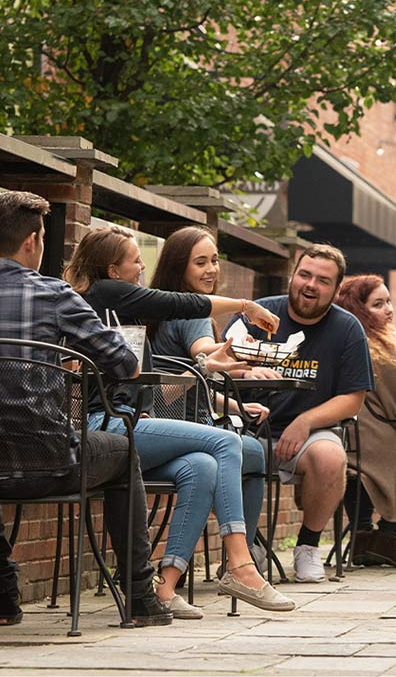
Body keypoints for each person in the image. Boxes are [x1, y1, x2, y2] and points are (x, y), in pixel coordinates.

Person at [0, 192, 172, 628]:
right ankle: (142, 597)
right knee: (124, 452)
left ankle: (2, 596)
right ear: (31, 241)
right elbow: (126, 365)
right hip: (48, 466)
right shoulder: (55, 295)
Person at [64, 226, 294, 616]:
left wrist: (204, 366)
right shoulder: (104, 292)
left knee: (201, 466)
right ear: (113, 270)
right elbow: (180, 304)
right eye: (136, 260)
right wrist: (244, 305)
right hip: (107, 425)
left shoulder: (119, 310)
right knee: (227, 442)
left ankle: (166, 586)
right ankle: (240, 564)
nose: (142, 267)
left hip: (131, 423)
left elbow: (146, 380)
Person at [223, 243, 374, 583]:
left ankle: (307, 546)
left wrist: (305, 422)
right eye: (304, 275)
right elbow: (217, 368)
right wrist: (245, 372)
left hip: (310, 432)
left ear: (336, 290)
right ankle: (249, 547)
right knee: (218, 454)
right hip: (245, 426)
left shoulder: (347, 328)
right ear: (293, 276)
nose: (310, 285)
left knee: (331, 458)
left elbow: (353, 398)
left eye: (322, 280)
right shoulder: (257, 315)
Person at [147, 225, 273, 564]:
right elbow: (201, 356)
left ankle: (238, 552)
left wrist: (237, 405)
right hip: (185, 428)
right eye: (200, 262)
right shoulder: (195, 311)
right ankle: (244, 553)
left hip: (155, 425)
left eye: (215, 261)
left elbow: (188, 385)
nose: (211, 270)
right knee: (255, 453)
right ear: (179, 267)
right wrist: (236, 358)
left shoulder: (158, 308)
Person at [336, 275, 396, 567]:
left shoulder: (346, 341)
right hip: (377, 441)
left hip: (347, 436)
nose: (389, 309)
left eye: (389, 301)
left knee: (363, 471)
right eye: (378, 304)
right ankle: (386, 537)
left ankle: (360, 534)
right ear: (360, 309)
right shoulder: (379, 351)